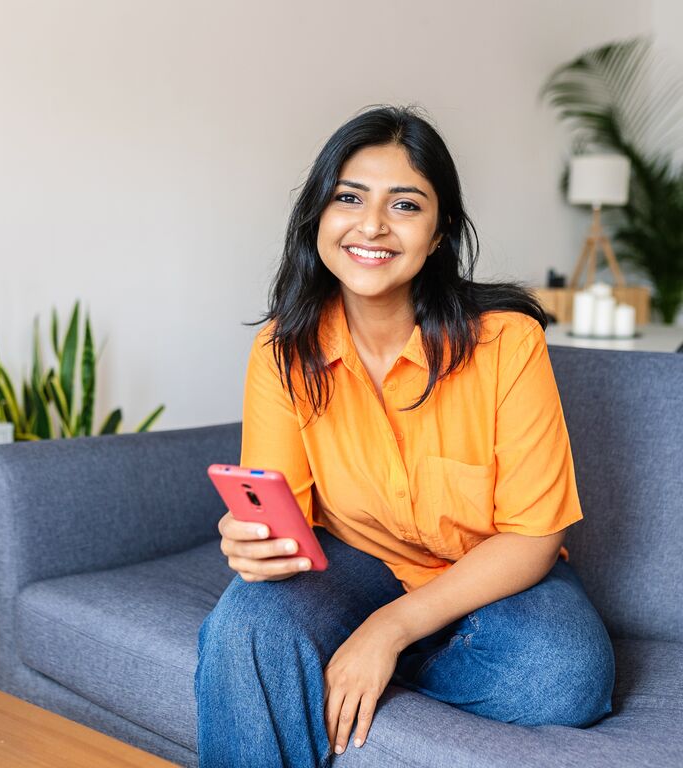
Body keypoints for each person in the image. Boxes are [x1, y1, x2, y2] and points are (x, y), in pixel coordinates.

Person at [194, 104, 615, 768]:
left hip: (489, 578)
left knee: (565, 675)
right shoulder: (282, 348)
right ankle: (357, 653)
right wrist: (252, 545)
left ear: (440, 231)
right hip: (355, 564)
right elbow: (287, 525)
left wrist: (387, 633)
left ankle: (374, 658)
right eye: (349, 198)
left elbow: (535, 537)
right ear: (318, 217)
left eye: (406, 205)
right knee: (246, 627)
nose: (372, 225)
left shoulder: (509, 341)